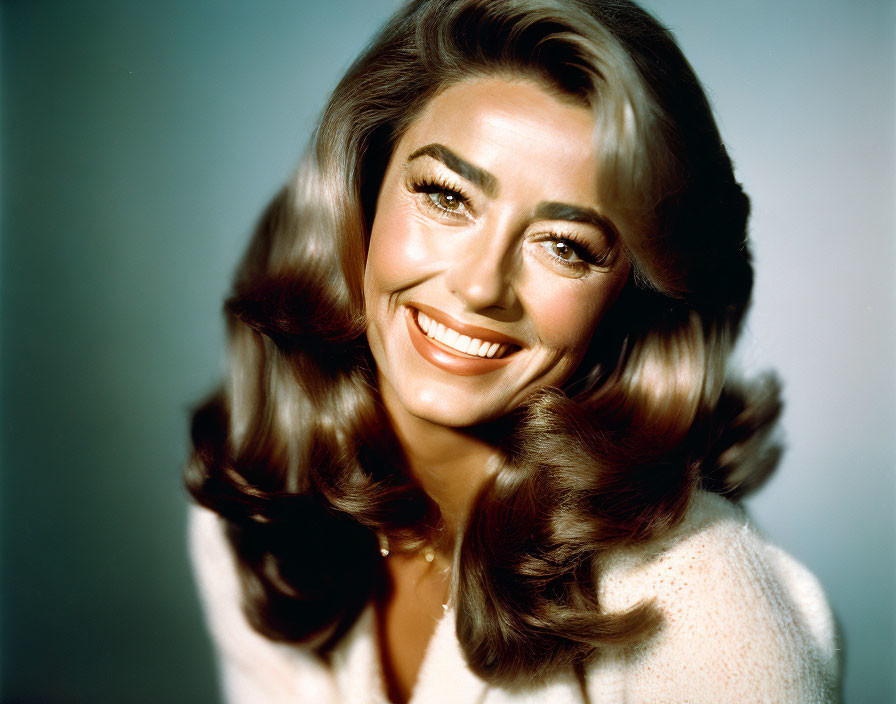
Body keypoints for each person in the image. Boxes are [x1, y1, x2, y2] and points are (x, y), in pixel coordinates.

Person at [186, 0, 841, 702]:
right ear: (364, 188)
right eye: (445, 196)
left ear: (633, 296)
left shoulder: (703, 608)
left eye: (565, 247)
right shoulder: (261, 493)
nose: (479, 284)